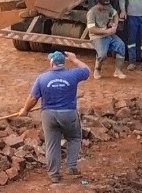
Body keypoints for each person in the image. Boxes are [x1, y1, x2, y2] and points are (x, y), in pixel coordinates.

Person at [19, 50, 91, 184]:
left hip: (49, 115)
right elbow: (87, 70)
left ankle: (54, 175)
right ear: (63, 63)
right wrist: (74, 59)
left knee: (52, 144)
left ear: (52, 63)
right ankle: (71, 166)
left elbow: (33, 98)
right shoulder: (73, 74)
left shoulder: (42, 78)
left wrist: (25, 110)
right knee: (74, 138)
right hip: (68, 113)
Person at [85, 1, 128, 75]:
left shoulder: (108, 7)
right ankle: (97, 69)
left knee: (121, 46)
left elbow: (115, 14)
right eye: (104, 6)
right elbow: (91, 29)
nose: (106, 7)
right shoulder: (91, 12)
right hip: (96, 36)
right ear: (99, 4)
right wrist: (105, 31)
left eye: (107, 5)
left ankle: (118, 71)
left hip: (108, 34)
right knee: (102, 54)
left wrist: (115, 26)